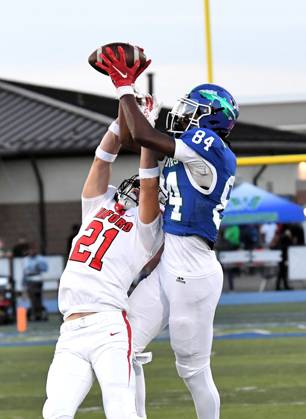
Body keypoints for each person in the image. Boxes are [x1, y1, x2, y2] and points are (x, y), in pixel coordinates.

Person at [97, 47, 239, 419]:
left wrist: (125, 86)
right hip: (168, 267)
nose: (183, 115)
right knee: (124, 348)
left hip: (192, 273)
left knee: (192, 371)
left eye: (193, 110)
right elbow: (136, 136)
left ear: (211, 120)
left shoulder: (211, 149)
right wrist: (135, 106)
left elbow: (144, 136)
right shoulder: (188, 150)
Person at [42, 102, 163, 419]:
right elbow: (102, 157)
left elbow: (149, 180)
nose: (135, 187)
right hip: (69, 329)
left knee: (121, 411)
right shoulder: (99, 204)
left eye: (142, 188)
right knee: (55, 411)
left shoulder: (147, 229)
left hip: (108, 325)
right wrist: (126, 115)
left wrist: (146, 135)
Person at [23, 242, 48, 321]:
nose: (31, 252)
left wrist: (38, 265)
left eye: (33, 250)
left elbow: (45, 269)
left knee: (38, 298)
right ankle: (34, 314)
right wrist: (23, 282)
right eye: (30, 250)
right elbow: (24, 272)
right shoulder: (26, 259)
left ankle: (39, 313)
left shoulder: (40, 259)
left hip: (37, 279)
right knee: (32, 298)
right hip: (29, 280)